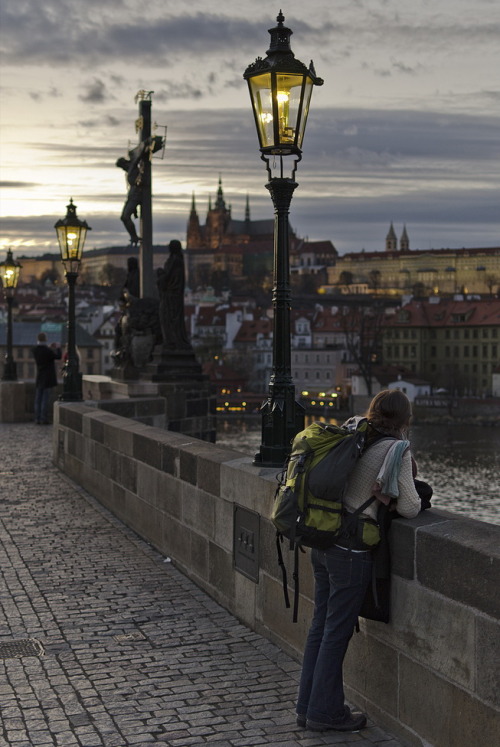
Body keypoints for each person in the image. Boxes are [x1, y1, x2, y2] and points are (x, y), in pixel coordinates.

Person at [296, 389, 422, 732]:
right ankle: (326, 713)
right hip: (351, 551)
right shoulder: (394, 448)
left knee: (320, 627)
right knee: (335, 633)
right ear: (404, 420)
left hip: (325, 541)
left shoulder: (354, 431)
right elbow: (411, 506)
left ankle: (307, 706)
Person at [156, 240, 191, 351]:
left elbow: (167, 276)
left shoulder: (175, 260)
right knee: (167, 317)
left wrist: (160, 274)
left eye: (170, 247)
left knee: (168, 317)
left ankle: (171, 341)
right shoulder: (176, 260)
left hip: (172, 295)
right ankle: (170, 340)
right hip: (171, 294)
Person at [32, 332, 62, 424]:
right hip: (48, 377)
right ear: (45, 339)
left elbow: (42, 350)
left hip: (39, 377)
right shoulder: (48, 351)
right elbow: (58, 357)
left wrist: (48, 347)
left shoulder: (35, 350)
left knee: (38, 399)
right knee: (45, 399)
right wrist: (58, 348)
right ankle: (43, 418)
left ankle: (37, 418)